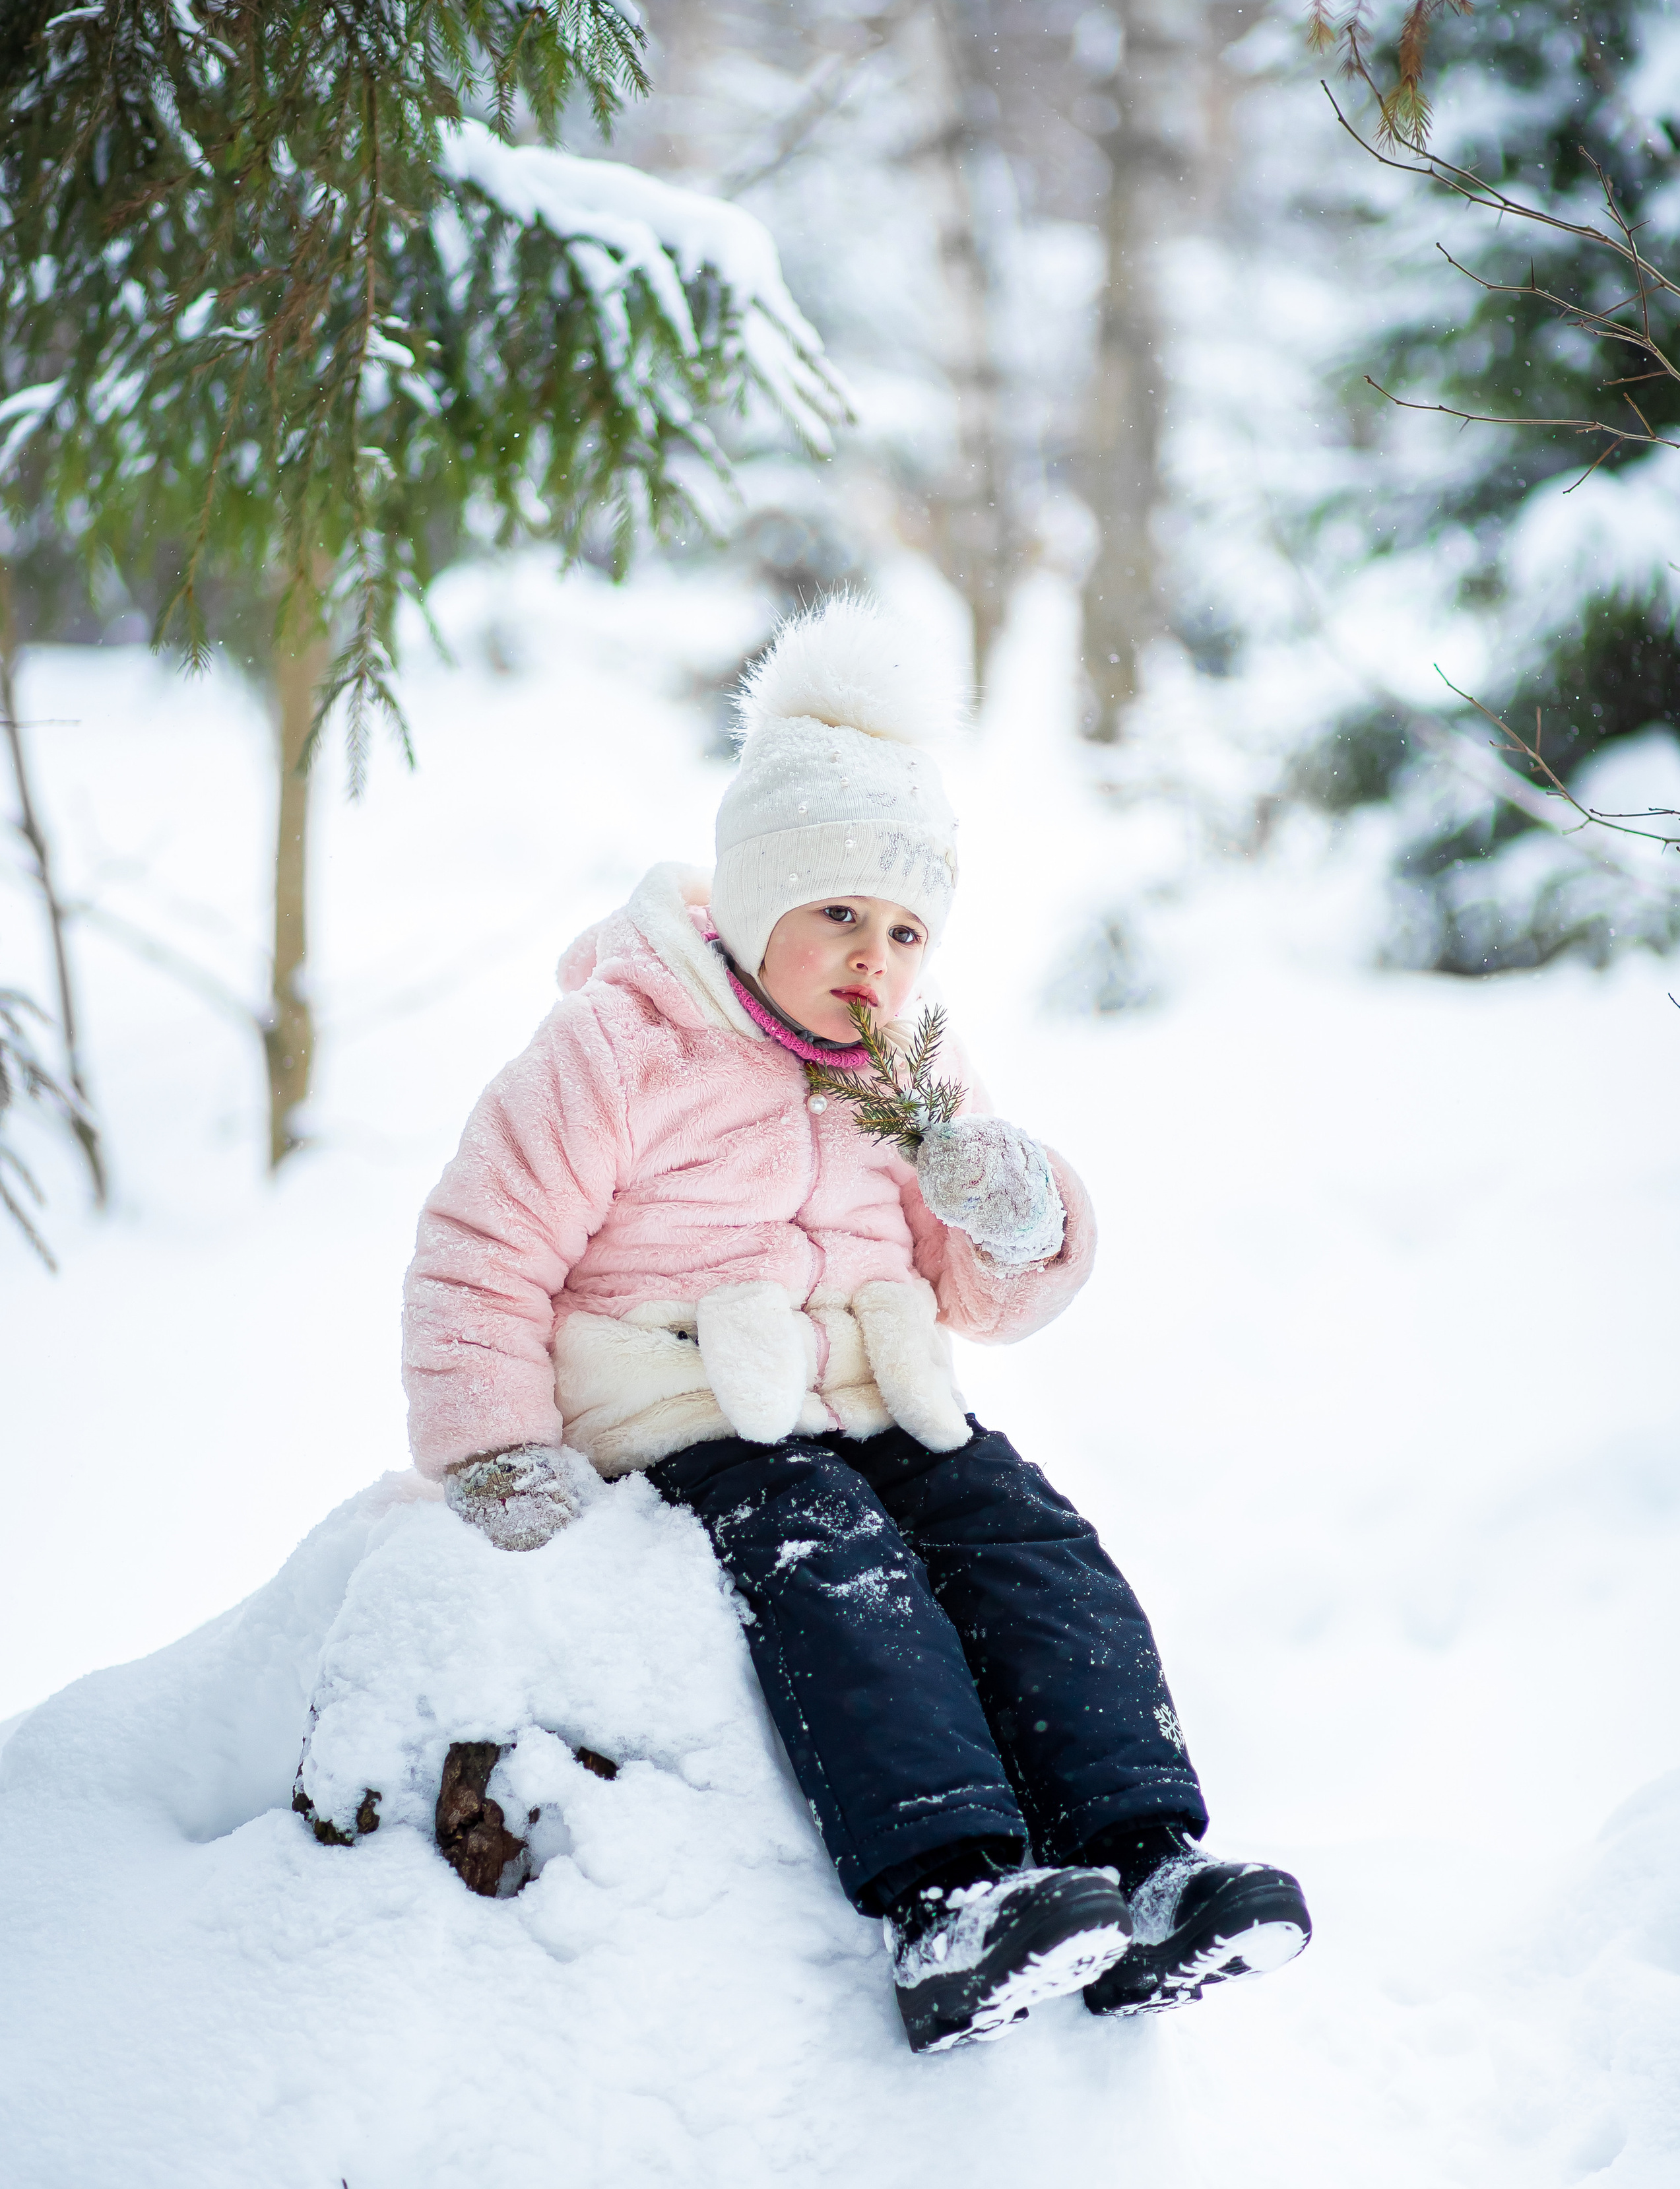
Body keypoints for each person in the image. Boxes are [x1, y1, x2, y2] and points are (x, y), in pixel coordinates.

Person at [402, 595, 1310, 2052]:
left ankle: (1147, 1864)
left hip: (877, 1403)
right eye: (836, 914)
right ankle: (945, 1902)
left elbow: (976, 1293)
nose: (871, 958)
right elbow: (479, 1247)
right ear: (757, 901)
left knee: (1024, 1539)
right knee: (839, 1568)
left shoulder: (908, 1071)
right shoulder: (618, 1046)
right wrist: (498, 1453)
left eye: (903, 929)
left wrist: (1019, 1212)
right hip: (690, 1412)